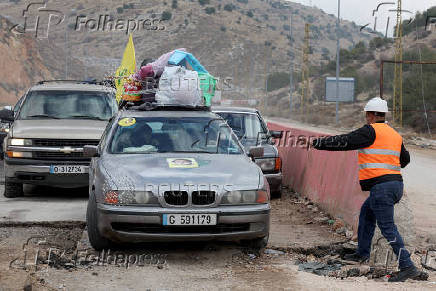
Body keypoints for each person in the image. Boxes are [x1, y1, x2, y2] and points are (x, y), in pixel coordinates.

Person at [312, 97, 428, 282]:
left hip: (382, 188)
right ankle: (362, 253)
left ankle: (407, 266)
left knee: (388, 228)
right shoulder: (394, 134)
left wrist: (319, 143)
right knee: (367, 213)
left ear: (372, 115)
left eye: (367, 115)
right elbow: (404, 160)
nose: (366, 118)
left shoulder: (370, 131)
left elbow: (346, 141)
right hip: (395, 185)